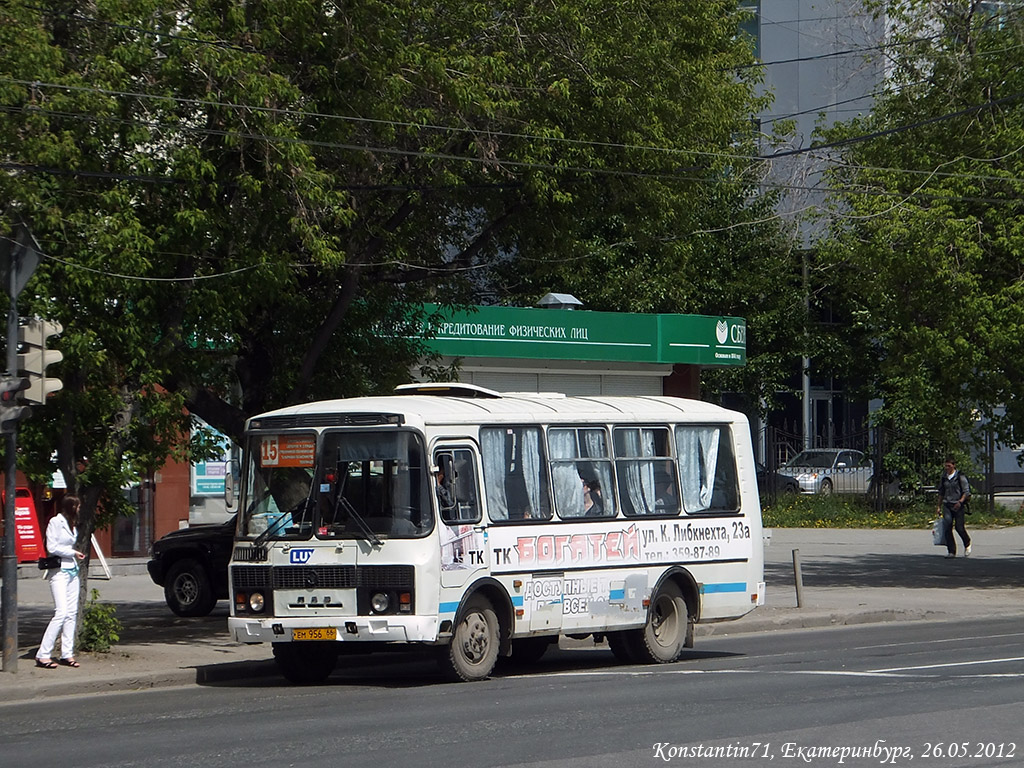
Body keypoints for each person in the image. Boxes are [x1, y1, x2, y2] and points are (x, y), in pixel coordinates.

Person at [35, 494, 86, 669]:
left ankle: (67, 653)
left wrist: (74, 554)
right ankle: (43, 654)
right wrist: (72, 552)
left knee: (72, 613)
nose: (79, 509)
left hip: (72, 571)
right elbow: (52, 547)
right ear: (72, 507)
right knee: (61, 612)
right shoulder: (55, 522)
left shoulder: (72, 525)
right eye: (77, 506)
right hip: (59, 572)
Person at [936, 456, 972, 559]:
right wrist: (938, 506)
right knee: (947, 527)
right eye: (945, 466)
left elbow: (966, 491)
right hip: (947, 504)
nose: (947, 468)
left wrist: (960, 502)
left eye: (949, 466)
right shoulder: (944, 477)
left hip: (958, 505)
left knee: (959, 528)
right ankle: (951, 551)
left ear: (953, 465)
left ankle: (967, 542)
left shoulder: (960, 476)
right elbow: (941, 492)